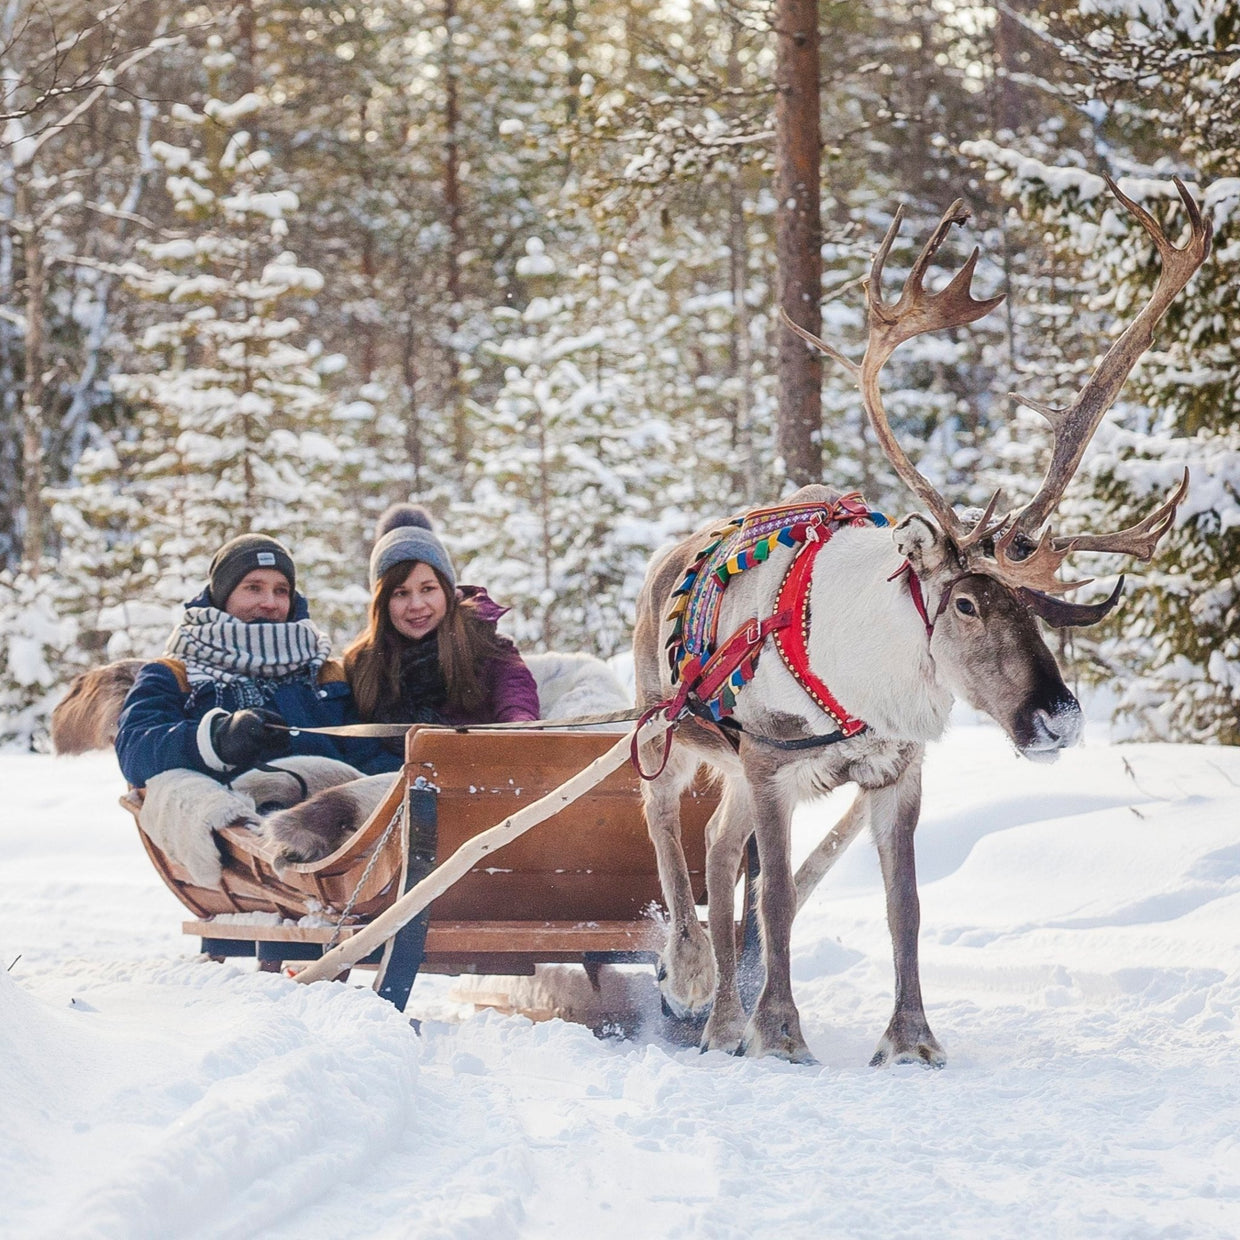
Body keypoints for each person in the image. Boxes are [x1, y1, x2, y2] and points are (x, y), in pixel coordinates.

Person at [114, 534, 384, 787]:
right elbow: (135, 748)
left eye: (281, 591)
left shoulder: (324, 671)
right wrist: (216, 738)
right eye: (253, 588)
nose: (270, 602)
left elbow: (368, 755)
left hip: (332, 820)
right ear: (223, 595)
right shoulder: (174, 673)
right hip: (233, 821)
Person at [343, 505, 538, 767]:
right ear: (382, 602)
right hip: (396, 785)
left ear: (447, 590)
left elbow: (515, 692)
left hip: (481, 773)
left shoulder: (485, 644)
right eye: (401, 593)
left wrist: (518, 727)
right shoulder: (362, 664)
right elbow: (359, 749)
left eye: (427, 589)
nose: (416, 605)